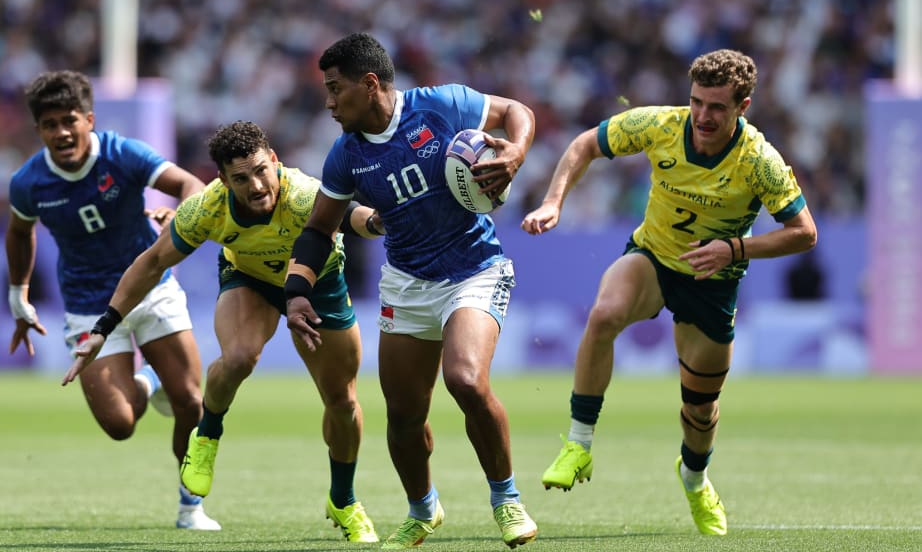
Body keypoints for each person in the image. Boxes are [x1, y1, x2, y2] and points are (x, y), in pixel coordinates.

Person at [521, 49, 818, 536]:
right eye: (697, 102)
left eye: (718, 107)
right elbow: (583, 146)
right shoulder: (659, 125)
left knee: (699, 412)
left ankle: (695, 478)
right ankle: (578, 443)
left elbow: (804, 233)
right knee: (603, 315)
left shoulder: (760, 161)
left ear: (743, 107)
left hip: (712, 283)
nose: (703, 115)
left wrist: (734, 248)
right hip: (654, 257)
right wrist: (554, 202)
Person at [61, 120, 383, 543]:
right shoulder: (208, 208)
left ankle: (343, 500)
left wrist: (380, 222)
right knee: (238, 357)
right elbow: (152, 262)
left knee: (342, 403)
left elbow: (354, 217)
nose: (255, 185)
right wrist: (105, 326)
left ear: (275, 162)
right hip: (249, 281)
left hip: (317, 283)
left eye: (261, 171)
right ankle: (207, 436)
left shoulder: (303, 194)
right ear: (224, 181)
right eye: (241, 178)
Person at [286, 32, 539, 549]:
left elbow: (516, 110)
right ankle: (423, 509)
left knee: (465, 380)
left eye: (336, 90)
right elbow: (318, 229)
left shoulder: (442, 106)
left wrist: (515, 154)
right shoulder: (345, 156)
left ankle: (507, 499)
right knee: (403, 415)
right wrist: (296, 291)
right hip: (407, 281)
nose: (330, 103)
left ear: (370, 83)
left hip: (475, 269)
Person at [5, 70, 219, 530]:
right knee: (120, 424)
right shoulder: (29, 182)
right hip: (88, 304)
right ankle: (147, 384)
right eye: (49, 124)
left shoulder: (123, 154)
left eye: (69, 120)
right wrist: (18, 294)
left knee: (191, 401)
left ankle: (190, 506)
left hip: (151, 287)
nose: (61, 132)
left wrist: (177, 220)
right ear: (39, 130)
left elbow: (190, 186)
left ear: (89, 120)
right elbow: (19, 233)